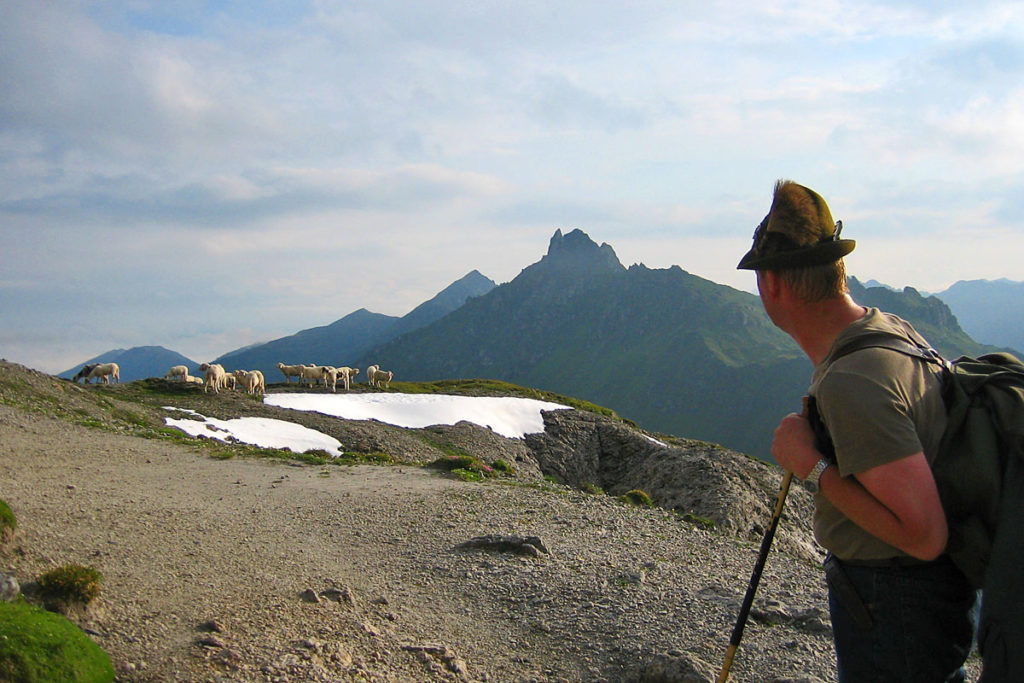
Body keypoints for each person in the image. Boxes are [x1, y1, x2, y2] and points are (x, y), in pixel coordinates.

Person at [737, 180, 978, 682]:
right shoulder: (886, 328)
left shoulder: (853, 379)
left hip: (895, 602)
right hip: (926, 603)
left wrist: (812, 465)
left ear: (774, 284)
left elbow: (925, 534)